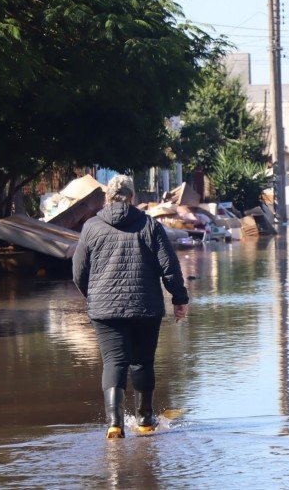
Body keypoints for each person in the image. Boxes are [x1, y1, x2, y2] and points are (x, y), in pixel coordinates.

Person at [72, 175, 189, 439]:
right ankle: (146, 420)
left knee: (114, 362)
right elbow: (169, 267)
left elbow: (78, 271)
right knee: (142, 362)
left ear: (107, 197)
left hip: (105, 309)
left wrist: (91, 297)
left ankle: (115, 424)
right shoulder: (150, 225)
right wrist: (179, 299)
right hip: (145, 306)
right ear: (133, 197)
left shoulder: (91, 227)